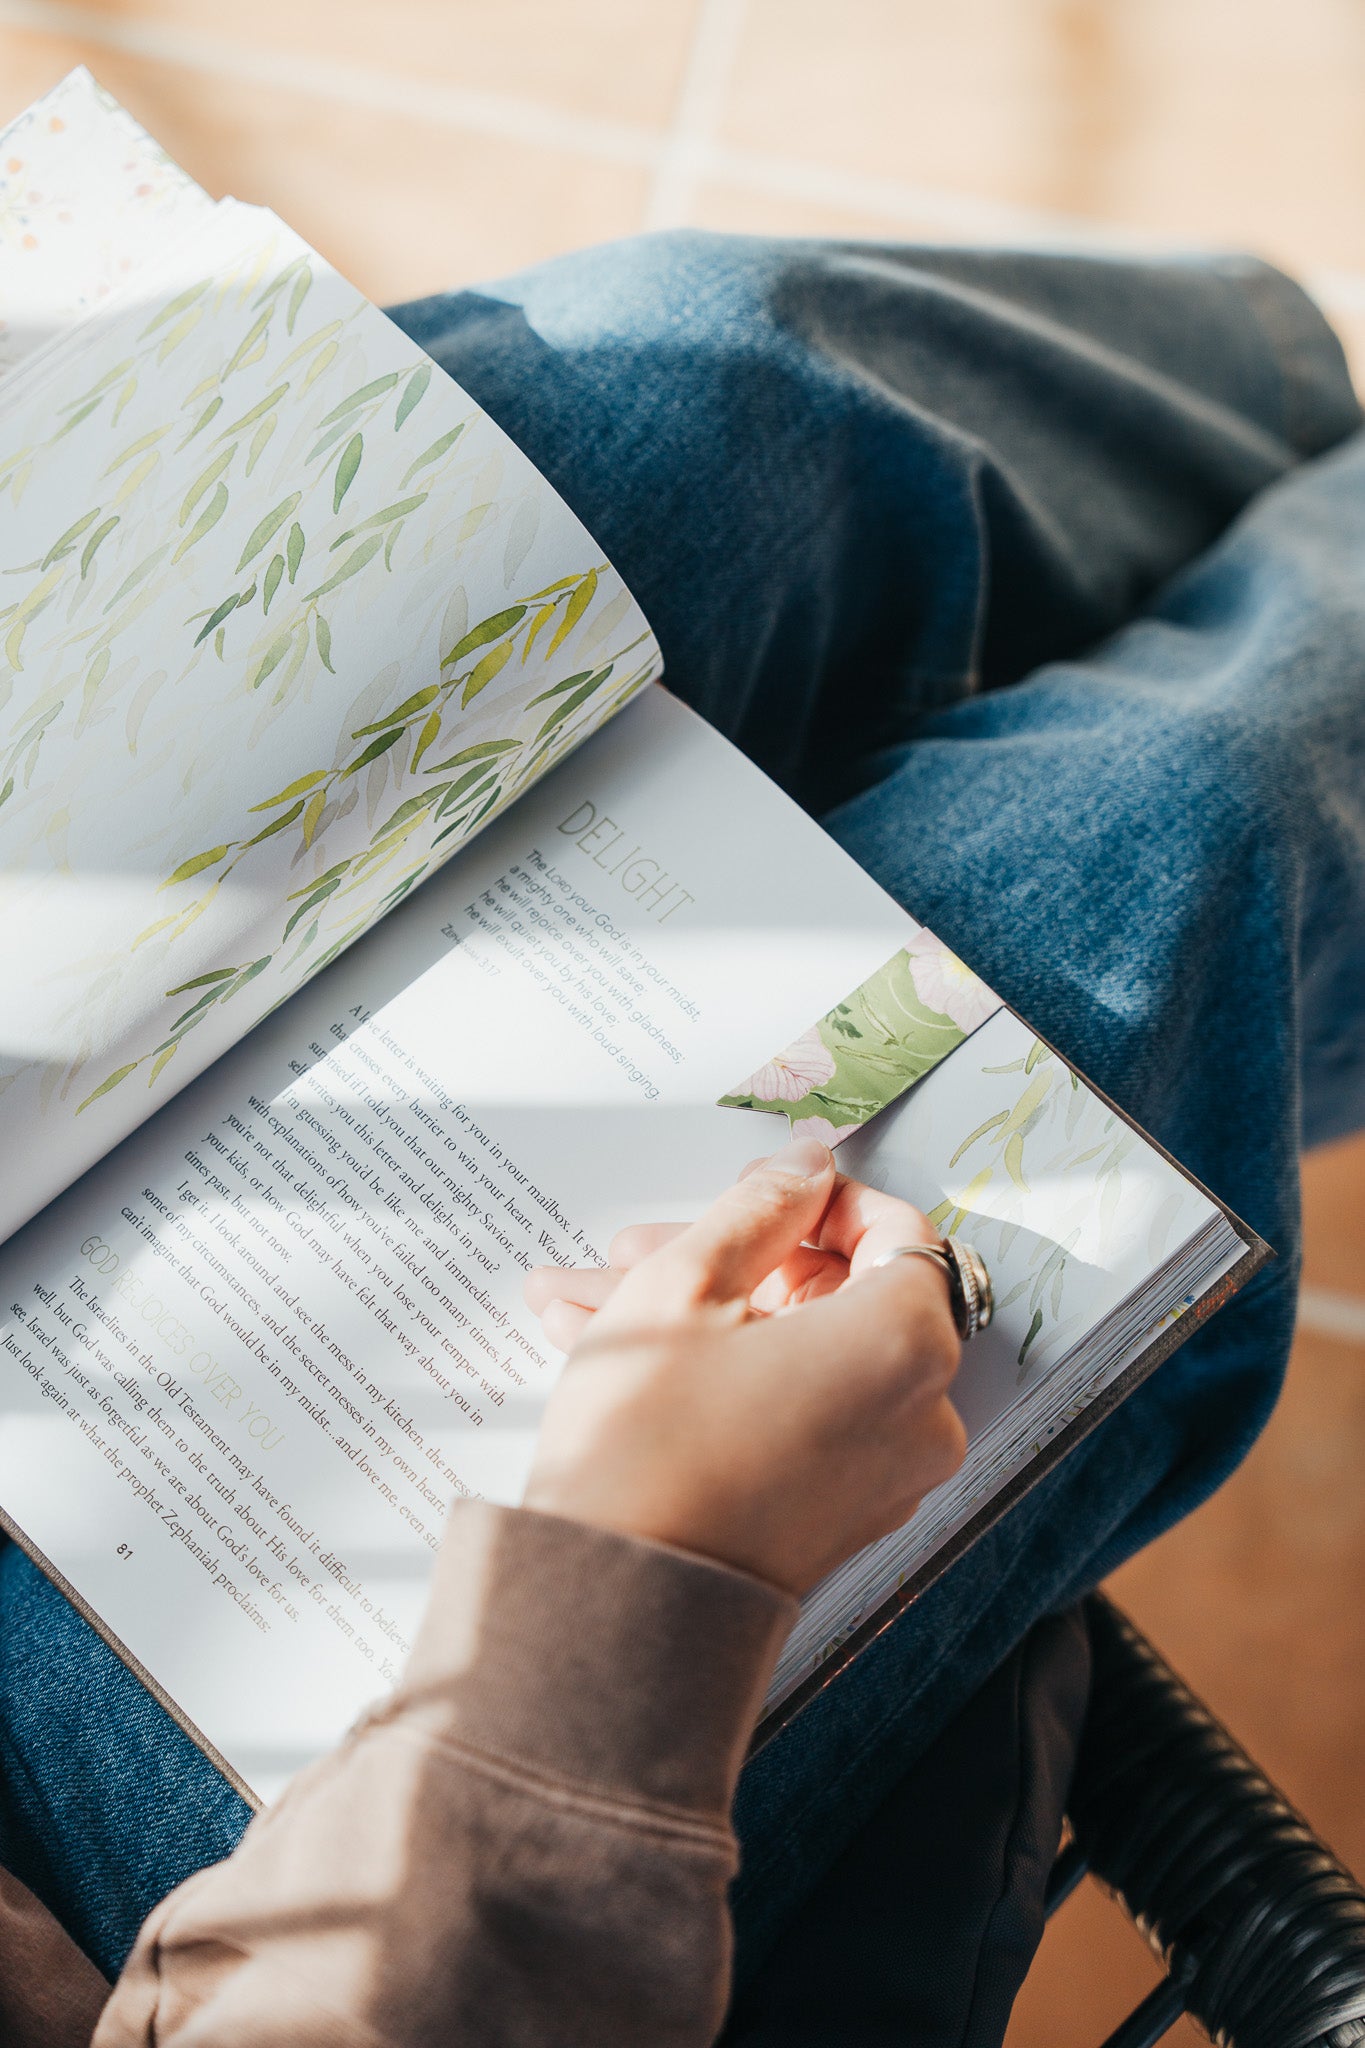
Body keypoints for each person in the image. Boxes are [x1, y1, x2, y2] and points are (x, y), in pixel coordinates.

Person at [1, 229, 1363, 2042]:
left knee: (684, 390)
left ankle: (1297, 384)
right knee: (1154, 864)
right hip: (209, 1923)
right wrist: (643, 1574)